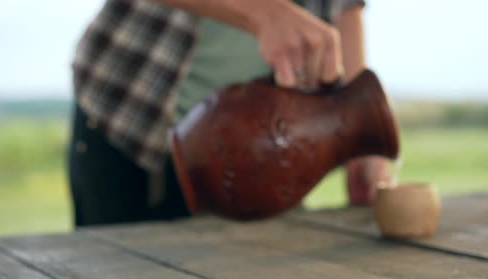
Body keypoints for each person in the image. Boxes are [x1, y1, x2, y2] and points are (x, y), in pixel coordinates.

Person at [68, 0, 390, 226]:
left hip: (262, 155)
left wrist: (359, 120)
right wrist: (264, 11)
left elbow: (345, 7)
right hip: (132, 121)